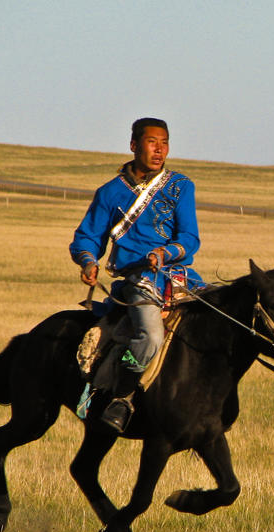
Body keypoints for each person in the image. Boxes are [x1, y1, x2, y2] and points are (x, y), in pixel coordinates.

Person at [70, 117, 202, 431]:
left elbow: (190, 238)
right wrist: (89, 262)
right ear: (133, 145)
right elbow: (87, 237)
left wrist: (165, 253)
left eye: (165, 142)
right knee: (151, 336)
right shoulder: (110, 193)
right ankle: (123, 394)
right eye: (152, 142)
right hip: (138, 281)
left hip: (180, 277)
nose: (160, 149)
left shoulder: (181, 186)